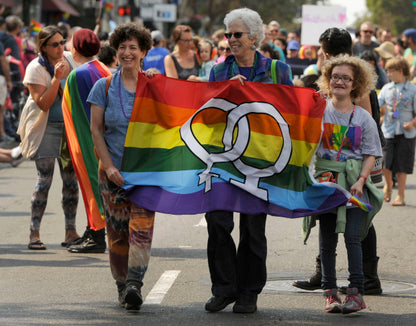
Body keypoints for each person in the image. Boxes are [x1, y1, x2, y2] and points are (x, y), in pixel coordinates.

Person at [205, 8, 293, 314]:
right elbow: (206, 114)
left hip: (260, 162)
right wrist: (229, 90)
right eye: (228, 34)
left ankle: (248, 292)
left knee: (253, 229)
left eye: (237, 34)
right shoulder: (218, 72)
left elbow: (290, 110)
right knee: (218, 223)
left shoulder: (277, 70)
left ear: (254, 37)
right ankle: (224, 288)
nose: (230, 39)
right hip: (223, 161)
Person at [293, 27, 384, 296]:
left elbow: (365, 124)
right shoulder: (332, 80)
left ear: (330, 52)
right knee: (329, 216)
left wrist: (359, 170)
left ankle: (368, 278)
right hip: (334, 165)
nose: (321, 56)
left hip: (359, 162)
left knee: (360, 216)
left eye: (323, 51)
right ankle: (325, 275)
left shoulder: (354, 82)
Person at [88, 22, 156, 312]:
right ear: (115, 51)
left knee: (141, 230)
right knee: (117, 234)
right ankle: (121, 284)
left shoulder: (154, 85)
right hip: (112, 172)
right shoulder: (102, 86)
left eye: (133, 48)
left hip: (146, 174)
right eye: (122, 47)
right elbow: (95, 130)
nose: (127, 53)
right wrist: (109, 166)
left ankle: (134, 285)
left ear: (143, 52)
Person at [312, 54, 383, 314]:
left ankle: (356, 293)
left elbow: (370, 153)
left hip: (353, 186)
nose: (339, 81)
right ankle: (330, 294)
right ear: (328, 80)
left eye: (346, 78)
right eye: (335, 77)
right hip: (326, 185)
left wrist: (362, 180)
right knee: (327, 241)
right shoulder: (318, 111)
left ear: (356, 84)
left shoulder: (364, 118)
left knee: (353, 238)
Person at [19, 25, 80, 250]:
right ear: (43, 47)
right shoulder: (36, 67)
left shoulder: (69, 59)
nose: (60, 48)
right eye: (54, 44)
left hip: (69, 128)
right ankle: (34, 233)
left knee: (71, 181)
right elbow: (43, 103)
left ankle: (71, 231)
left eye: (62, 42)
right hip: (46, 127)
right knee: (44, 180)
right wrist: (56, 79)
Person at [62, 28, 111, 253]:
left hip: (87, 140)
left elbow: (79, 113)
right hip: (104, 139)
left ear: (75, 47)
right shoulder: (103, 68)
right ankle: (92, 230)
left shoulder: (79, 74)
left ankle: (97, 235)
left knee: (92, 186)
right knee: (97, 187)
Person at [379, 57, 416, 206]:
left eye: (390, 71)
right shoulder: (386, 88)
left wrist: (412, 123)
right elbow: (377, 104)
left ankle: (400, 195)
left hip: (406, 133)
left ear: (400, 71)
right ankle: (388, 184)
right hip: (388, 130)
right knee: (384, 163)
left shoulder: (413, 89)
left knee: (402, 166)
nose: (388, 74)